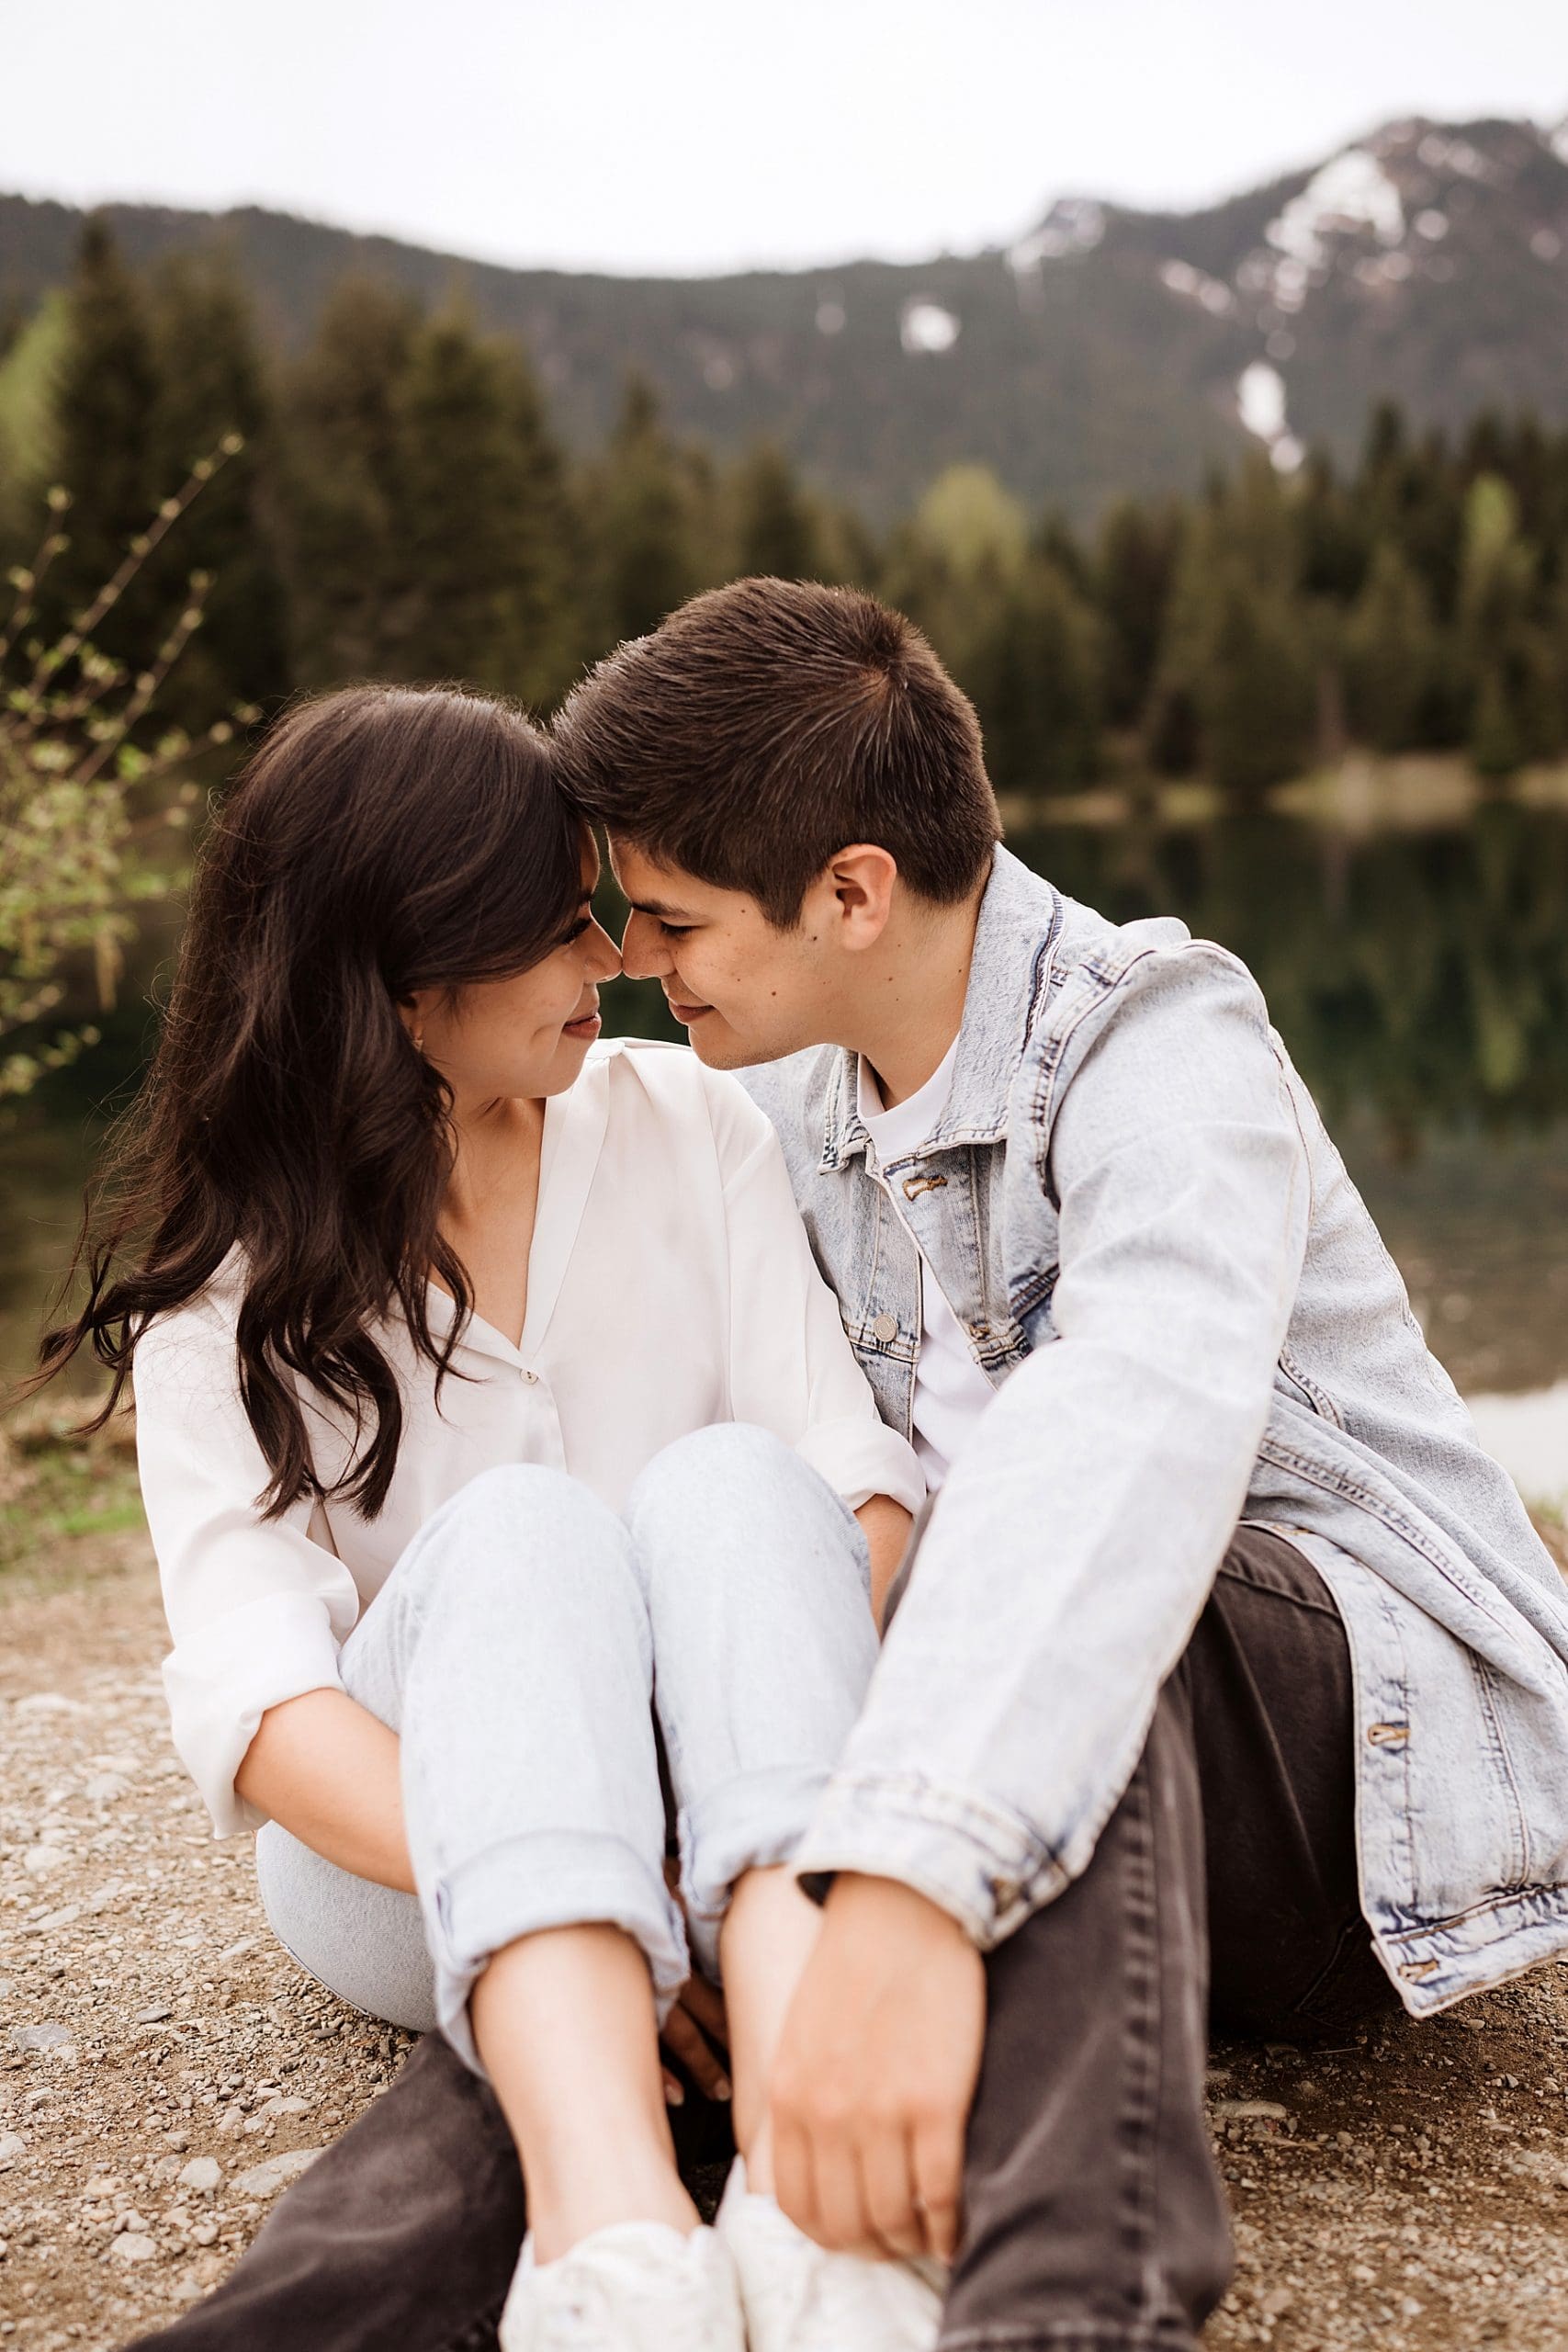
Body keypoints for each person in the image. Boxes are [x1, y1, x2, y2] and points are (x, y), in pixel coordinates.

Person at [127, 584, 1568, 2352]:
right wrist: (708, 1857)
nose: (634, 970)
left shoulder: (1156, 1040)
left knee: (1005, 1557)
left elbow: (1130, 1433)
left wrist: (887, 1867)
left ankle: (1051, 2313)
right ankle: (556, 2270)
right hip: (860, 1763)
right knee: (641, 1900)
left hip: (1311, 1743)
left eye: (659, 923)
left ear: (852, 893)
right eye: (598, 924)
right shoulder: (783, 1104)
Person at [39, 681, 941, 2352]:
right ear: (399, 988)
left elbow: (857, 1499)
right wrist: (599, 1855)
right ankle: (612, 2241)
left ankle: (808, 2173)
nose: (613, 957)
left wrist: (719, 1840)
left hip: (745, 1785)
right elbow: (266, 1708)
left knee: (742, 1484)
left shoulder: (685, 1122)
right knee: (528, 1539)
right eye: (558, 927)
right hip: (411, 1849)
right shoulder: (224, 1289)